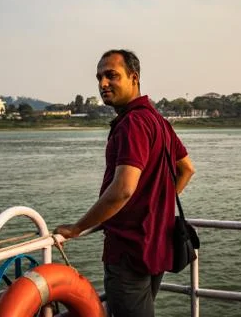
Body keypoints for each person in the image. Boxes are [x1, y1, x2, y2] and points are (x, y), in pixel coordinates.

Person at [54, 49, 195, 317]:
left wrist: (77, 227)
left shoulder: (133, 123)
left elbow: (123, 189)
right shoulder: (158, 121)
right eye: (99, 78)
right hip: (157, 245)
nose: (102, 84)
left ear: (134, 78)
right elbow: (186, 169)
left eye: (111, 75)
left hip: (130, 250)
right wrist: (156, 204)